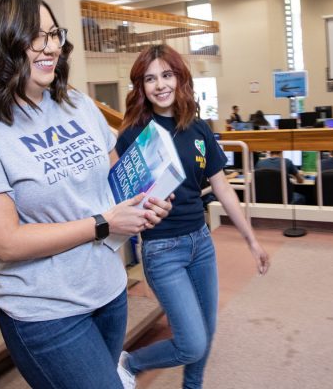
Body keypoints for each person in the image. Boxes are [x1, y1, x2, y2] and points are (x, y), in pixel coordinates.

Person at [0, 0, 172, 389]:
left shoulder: (76, 104)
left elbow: (115, 176)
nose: (51, 47)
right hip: (45, 310)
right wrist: (104, 222)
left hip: (108, 289)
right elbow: (7, 242)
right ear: (1, 43)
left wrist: (145, 199)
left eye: (54, 34)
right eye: (36, 36)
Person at [115, 44, 269, 389]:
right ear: (141, 87)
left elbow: (223, 188)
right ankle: (131, 362)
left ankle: (192, 386)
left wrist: (251, 239)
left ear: (180, 78)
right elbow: (122, 198)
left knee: (207, 331)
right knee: (191, 342)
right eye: (150, 79)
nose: (160, 85)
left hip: (200, 242)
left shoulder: (198, 130)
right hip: (162, 249)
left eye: (166, 75)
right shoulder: (132, 135)